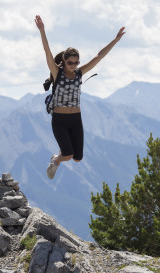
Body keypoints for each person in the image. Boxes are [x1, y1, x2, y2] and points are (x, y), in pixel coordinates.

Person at [35, 15, 125, 179]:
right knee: (68, 155)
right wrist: (42, 31)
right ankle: (56, 160)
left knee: (78, 158)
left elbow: (99, 56)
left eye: (76, 62)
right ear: (64, 61)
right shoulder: (57, 74)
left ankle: (61, 155)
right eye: (70, 63)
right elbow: (47, 52)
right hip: (60, 120)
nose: (74, 65)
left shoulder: (79, 73)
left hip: (76, 118)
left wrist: (116, 40)